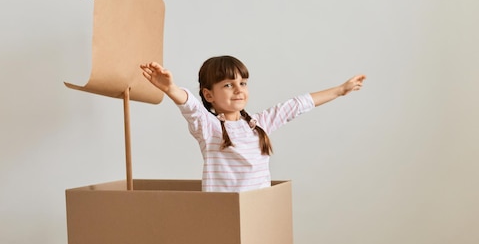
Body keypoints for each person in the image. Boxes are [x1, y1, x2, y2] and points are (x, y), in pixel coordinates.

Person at [140, 56, 365, 192]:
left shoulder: (259, 124)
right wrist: (171, 89)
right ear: (209, 95)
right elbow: (191, 107)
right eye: (228, 85)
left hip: (257, 208)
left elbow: (297, 104)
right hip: (224, 212)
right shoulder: (209, 128)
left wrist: (340, 90)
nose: (239, 89)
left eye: (243, 83)